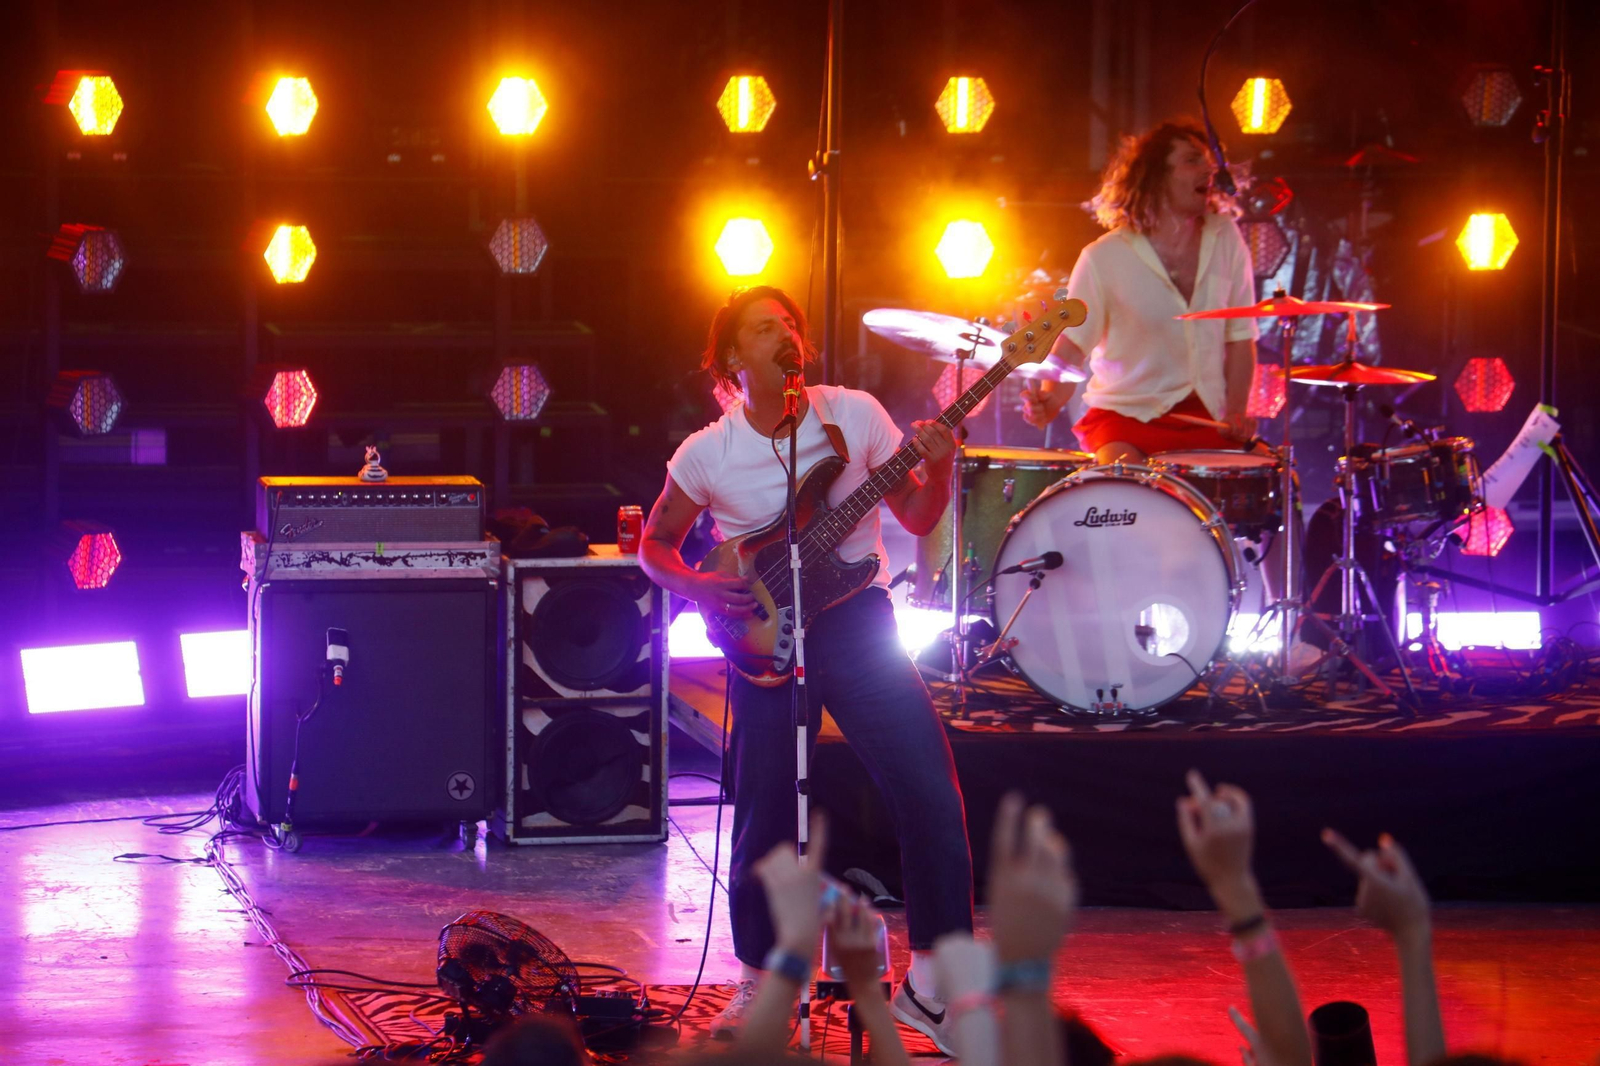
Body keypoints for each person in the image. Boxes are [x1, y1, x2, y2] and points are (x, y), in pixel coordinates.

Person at [638, 285, 975, 1052]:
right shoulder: (707, 453)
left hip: (858, 619)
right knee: (762, 810)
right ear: (733, 358)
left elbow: (918, 516)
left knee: (927, 787)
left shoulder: (850, 413)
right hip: (761, 635)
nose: (785, 335)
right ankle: (760, 982)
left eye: (789, 323)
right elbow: (654, 545)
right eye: (765, 328)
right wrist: (696, 585)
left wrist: (941, 469)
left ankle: (931, 984)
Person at [1019, 120, 1260, 463]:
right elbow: (1072, 346)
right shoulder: (1103, 257)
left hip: (1207, 418)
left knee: (1270, 479)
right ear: (1156, 177)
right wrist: (1049, 401)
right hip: (1125, 419)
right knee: (1126, 492)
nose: (1209, 169)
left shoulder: (1227, 238)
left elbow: (1240, 338)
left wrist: (1237, 412)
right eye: (1192, 160)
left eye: (1209, 160)